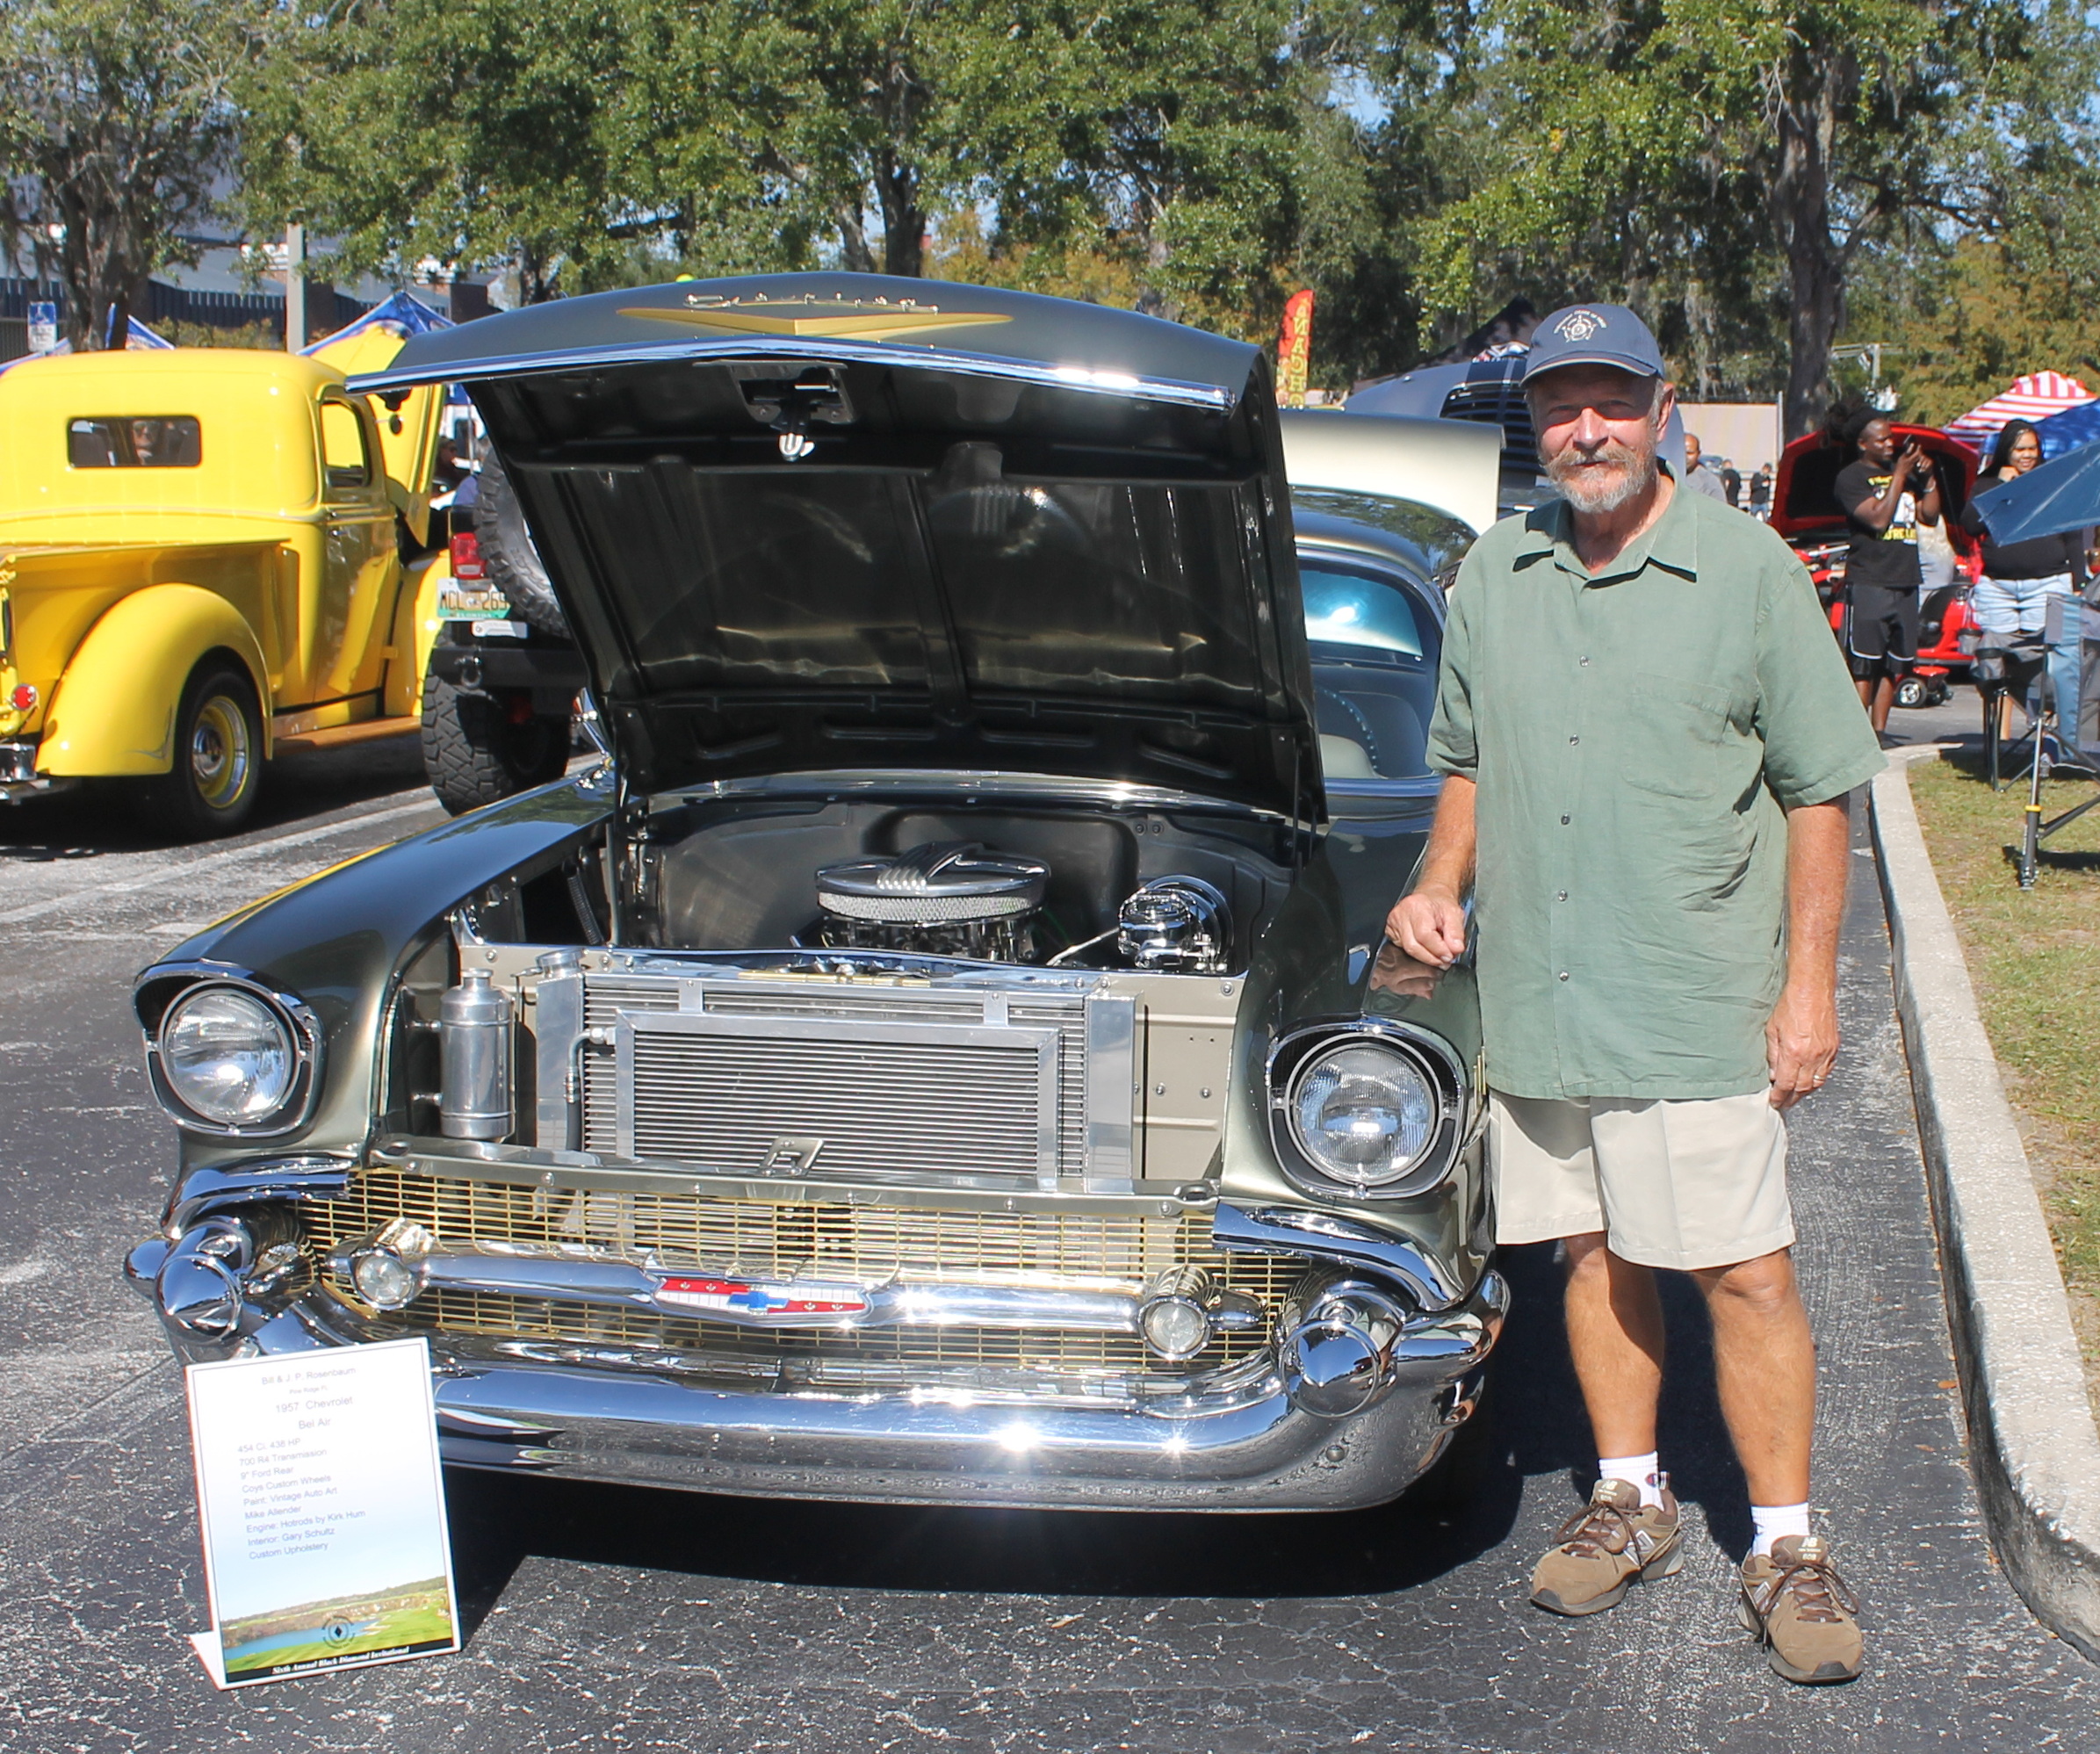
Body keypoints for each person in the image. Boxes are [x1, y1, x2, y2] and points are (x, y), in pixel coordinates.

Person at [1387, 303, 1882, 1685]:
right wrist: (1438, 880)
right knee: (1586, 1254)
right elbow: (1468, 764)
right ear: (1533, 424)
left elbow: (1818, 791)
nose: (1584, 429)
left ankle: (1783, 1541)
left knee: (1738, 1268)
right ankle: (1632, 1494)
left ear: (1661, 411)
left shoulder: (1745, 571)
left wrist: (1807, 992)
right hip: (1541, 1000)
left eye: (1610, 401)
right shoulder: (1497, 569)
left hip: (1687, 994)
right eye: (1560, 406)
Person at [1961, 420, 2085, 760]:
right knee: (1995, 668)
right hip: (1998, 587)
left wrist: (2079, 581)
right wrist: (2000, 489)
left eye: (2032, 448)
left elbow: (2073, 533)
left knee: (2048, 667)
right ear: (2006, 452)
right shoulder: (1988, 483)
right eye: (2020, 449)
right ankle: (1998, 743)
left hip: (2049, 583)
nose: (2027, 456)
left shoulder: (2053, 480)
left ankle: (2048, 743)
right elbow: (1970, 525)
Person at [1835, 413, 1940, 734]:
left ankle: (1878, 734)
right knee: (1864, 666)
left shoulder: (1904, 475)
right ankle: (1855, 736)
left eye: (1891, 437)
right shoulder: (1851, 478)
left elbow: (1930, 516)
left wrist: (1930, 478)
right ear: (1862, 444)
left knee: (1893, 666)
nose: (1889, 443)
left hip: (1906, 580)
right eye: (1881, 439)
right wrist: (1899, 475)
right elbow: (1878, 519)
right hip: (1870, 581)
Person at [1682, 432, 1729, 501]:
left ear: (1698, 454)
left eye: (1690, 453)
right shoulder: (1666, 474)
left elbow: (1719, 509)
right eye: (1682, 451)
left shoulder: (1709, 482)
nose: (1685, 457)